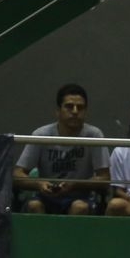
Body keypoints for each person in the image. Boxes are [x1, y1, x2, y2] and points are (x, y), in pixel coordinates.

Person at [15, 83, 110, 215]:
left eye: (80, 108)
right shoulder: (41, 135)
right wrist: (39, 184)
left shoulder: (94, 135)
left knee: (79, 207)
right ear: (58, 111)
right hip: (45, 196)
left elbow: (105, 178)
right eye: (69, 107)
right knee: (34, 205)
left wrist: (75, 184)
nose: (75, 111)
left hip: (80, 197)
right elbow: (18, 174)